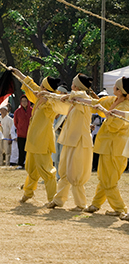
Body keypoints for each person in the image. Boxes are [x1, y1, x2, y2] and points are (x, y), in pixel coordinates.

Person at [11, 68, 68, 205]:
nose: (39, 87)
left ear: (46, 89)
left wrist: (47, 97)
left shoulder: (50, 103)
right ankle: (28, 193)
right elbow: (29, 83)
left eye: (42, 86)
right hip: (33, 141)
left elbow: (62, 103)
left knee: (47, 171)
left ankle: (52, 199)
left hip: (42, 141)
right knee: (31, 170)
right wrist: (16, 71)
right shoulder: (38, 98)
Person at [47, 74, 97, 211]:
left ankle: (81, 204)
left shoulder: (83, 100)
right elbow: (66, 98)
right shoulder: (75, 100)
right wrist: (48, 94)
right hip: (70, 141)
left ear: (77, 86)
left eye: (73, 84)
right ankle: (58, 200)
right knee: (64, 171)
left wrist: (69, 96)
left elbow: (81, 96)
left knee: (75, 174)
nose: (71, 87)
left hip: (80, 142)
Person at [83, 77, 129, 216]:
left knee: (109, 180)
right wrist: (76, 99)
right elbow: (96, 103)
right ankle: (96, 204)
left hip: (116, 149)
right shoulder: (113, 101)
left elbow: (114, 126)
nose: (113, 87)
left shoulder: (125, 107)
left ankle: (120, 209)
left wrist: (105, 113)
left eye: (115, 86)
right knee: (104, 177)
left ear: (120, 91)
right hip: (107, 147)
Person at [13, 94, 33, 169]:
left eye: (25, 101)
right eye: (22, 101)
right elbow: (15, 122)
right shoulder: (17, 112)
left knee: (29, 150)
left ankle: (29, 164)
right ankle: (21, 164)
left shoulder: (32, 111)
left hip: (30, 134)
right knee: (21, 150)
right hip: (21, 134)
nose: (24, 103)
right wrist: (19, 128)